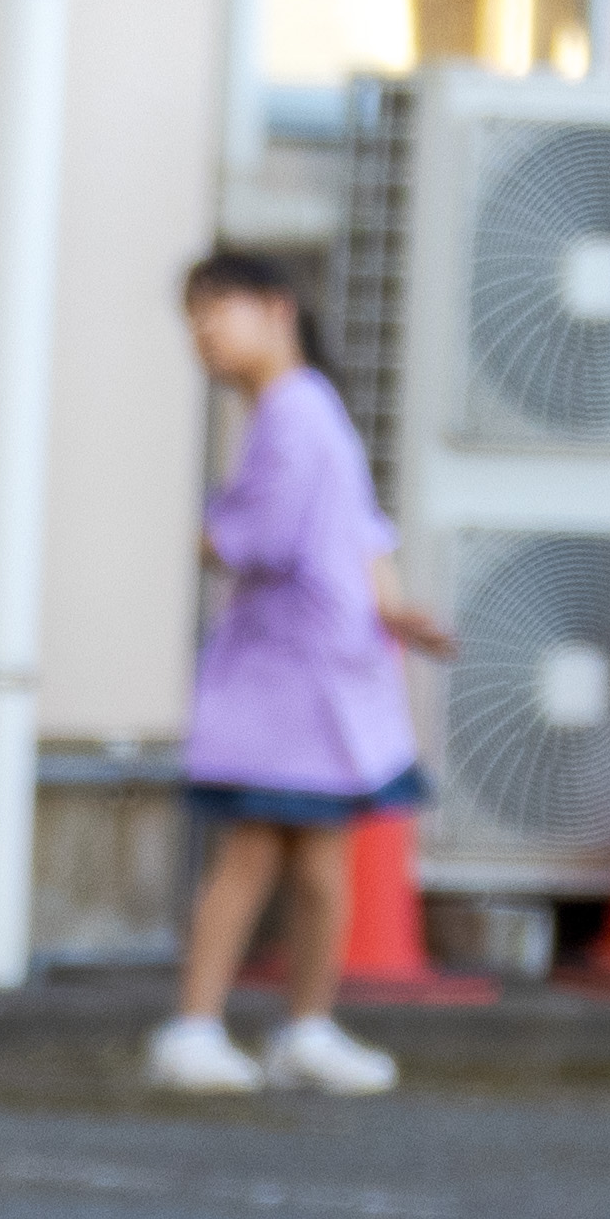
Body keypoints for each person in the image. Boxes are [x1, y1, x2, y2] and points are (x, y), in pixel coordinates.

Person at [144, 247, 453, 1100]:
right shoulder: (311, 408)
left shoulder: (288, 413)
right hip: (317, 677)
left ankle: (208, 1025)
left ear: (277, 309)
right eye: (194, 317)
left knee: (265, 855)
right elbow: (362, 532)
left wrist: (214, 533)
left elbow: (268, 535)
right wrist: (391, 610)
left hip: (292, 677)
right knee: (309, 862)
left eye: (218, 309)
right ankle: (291, 1026)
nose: (204, 333)